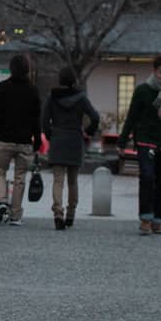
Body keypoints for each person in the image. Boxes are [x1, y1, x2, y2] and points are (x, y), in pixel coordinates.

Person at [117, 56, 161, 235]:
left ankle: (158, 219)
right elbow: (132, 116)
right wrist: (122, 140)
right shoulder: (143, 90)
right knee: (147, 177)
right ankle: (145, 218)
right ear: (154, 72)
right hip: (145, 139)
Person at [42, 67, 100, 230]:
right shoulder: (81, 98)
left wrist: (50, 135)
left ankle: (58, 212)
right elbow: (95, 116)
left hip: (58, 139)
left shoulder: (52, 97)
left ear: (60, 80)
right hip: (75, 139)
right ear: (74, 81)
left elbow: (45, 120)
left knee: (58, 180)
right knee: (73, 181)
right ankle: (71, 215)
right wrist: (89, 131)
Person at [0, 54, 41, 226]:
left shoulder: (2, 87)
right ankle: (16, 215)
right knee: (20, 177)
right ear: (27, 69)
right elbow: (36, 118)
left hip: (4, 139)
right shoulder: (33, 90)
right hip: (25, 141)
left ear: (11, 68)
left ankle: (1, 200)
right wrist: (37, 140)